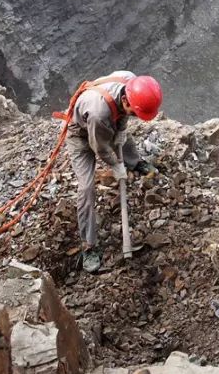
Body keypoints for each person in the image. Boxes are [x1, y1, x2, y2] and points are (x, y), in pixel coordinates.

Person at [66, 71, 162, 273]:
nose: (135, 116)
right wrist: (116, 166)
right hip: (81, 135)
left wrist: (121, 129)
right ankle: (89, 246)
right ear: (126, 99)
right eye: (134, 112)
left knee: (124, 141)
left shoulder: (130, 81)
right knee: (86, 189)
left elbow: (123, 114)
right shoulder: (98, 113)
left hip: (107, 121)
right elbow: (100, 148)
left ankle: (135, 163)